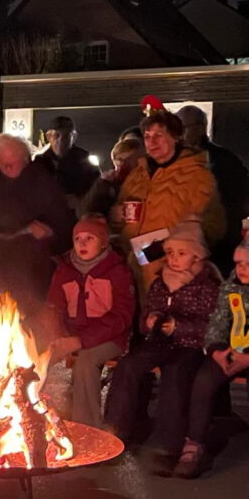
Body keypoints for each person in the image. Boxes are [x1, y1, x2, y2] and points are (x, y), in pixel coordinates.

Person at [103, 222, 220, 458]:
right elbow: (146, 315)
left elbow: (212, 326)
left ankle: (167, 443)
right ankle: (115, 433)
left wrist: (178, 325)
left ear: (196, 256)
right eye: (170, 253)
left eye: (181, 253)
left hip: (190, 346)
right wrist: (149, 321)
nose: (174, 259)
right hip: (159, 342)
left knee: (175, 373)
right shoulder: (160, 282)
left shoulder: (207, 285)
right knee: (128, 365)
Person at [0, 134, 74, 321]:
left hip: (34, 269)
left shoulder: (42, 181)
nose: (11, 169)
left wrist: (49, 231)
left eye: (17, 163)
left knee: (32, 321)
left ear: (26, 159)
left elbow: (64, 223)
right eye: (5, 165)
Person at [113, 107, 224, 293]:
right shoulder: (137, 174)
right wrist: (116, 216)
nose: (152, 142)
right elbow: (119, 216)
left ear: (176, 137)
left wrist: (173, 251)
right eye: (147, 136)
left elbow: (211, 226)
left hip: (172, 273)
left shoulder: (196, 175)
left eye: (159, 135)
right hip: (132, 269)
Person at [46, 214, 135, 427]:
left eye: (90, 238)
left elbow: (122, 316)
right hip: (71, 335)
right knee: (31, 353)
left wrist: (80, 341)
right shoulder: (65, 270)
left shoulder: (116, 271)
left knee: (86, 362)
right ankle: (28, 420)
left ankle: (87, 429)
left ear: (103, 243)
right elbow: (52, 308)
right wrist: (58, 336)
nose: (82, 244)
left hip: (110, 338)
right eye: (78, 239)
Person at [173, 240, 249, 478]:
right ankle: (194, 444)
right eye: (238, 263)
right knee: (204, 380)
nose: (242, 268)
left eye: (248, 264)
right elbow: (218, 321)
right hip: (232, 351)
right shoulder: (231, 286)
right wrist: (217, 351)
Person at [176, 105, 249, 274]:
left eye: (186, 127)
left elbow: (242, 197)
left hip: (222, 242)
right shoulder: (171, 161)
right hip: (182, 241)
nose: (181, 134)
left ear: (201, 128)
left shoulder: (225, 160)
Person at [34, 116, 101, 208]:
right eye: (56, 136)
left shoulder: (86, 160)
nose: (61, 141)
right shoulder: (40, 161)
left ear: (74, 137)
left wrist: (80, 199)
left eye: (66, 136)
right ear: (48, 137)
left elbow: (97, 186)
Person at [79, 138, 144, 218]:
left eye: (130, 159)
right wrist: (102, 183)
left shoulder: (146, 181)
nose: (123, 164)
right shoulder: (108, 183)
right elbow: (83, 212)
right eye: (120, 159)